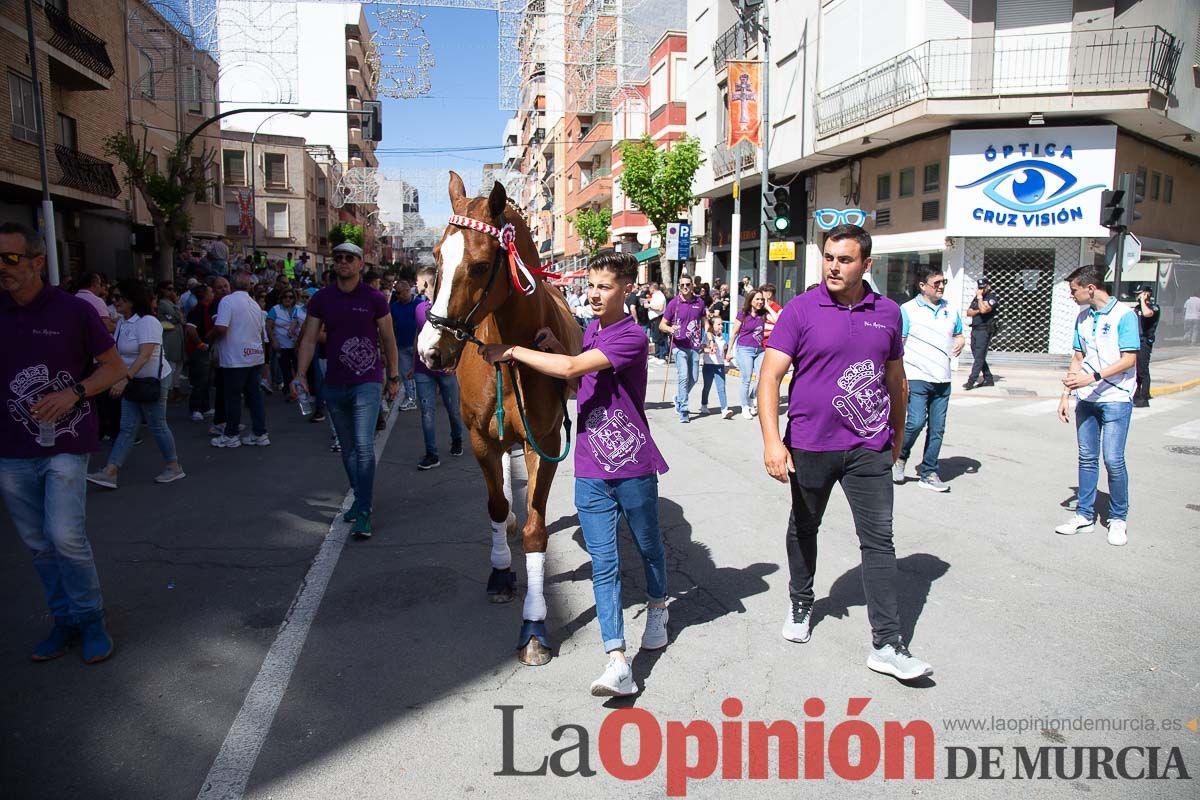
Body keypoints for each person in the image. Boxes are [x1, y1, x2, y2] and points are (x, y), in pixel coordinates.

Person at [478, 249, 669, 698]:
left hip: (631, 462)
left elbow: (570, 369)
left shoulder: (631, 336)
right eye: (592, 286)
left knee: (648, 545)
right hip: (589, 466)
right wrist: (555, 348)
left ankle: (659, 606)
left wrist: (514, 351)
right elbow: (574, 382)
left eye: (605, 287)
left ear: (627, 289)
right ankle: (617, 659)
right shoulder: (590, 331)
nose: (595, 294)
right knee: (604, 563)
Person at [758, 223, 933, 682]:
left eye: (845, 259)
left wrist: (897, 439)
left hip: (868, 448)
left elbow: (896, 381)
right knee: (805, 526)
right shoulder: (800, 310)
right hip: (810, 444)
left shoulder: (888, 314)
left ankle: (887, 644)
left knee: (879, 541)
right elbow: (770, 378)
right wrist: (773, 442)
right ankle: (801, 601)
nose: (834, 266)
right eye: (829, 257)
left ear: (866, 265)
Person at [0, 222, 126, 663]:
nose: (3, 268)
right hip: (12, 450)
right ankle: (65, 620)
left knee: (65, 537)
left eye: (11, 258)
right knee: (38, 545)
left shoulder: (73, 311)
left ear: (37, 262)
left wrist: (72, 392)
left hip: (67, 445)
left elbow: (114, 369)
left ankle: (91, 619)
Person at [295, 242, 400, 539]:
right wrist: (300, 374)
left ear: (359, 265)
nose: (343, 262)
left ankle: (364, 510)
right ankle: (359, 497)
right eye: (338, 258)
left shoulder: (375, 298)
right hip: (334, 383)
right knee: (348, 449)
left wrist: (393, 376)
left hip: (367, 381)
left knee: (364, 447)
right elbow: (309, 339)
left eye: (349, 258)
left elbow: (388, 339)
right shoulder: (321, 299)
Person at [1055, 265, 1139, 546]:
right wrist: (1066, 394)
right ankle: (1084, 516)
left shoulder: (1124, 316)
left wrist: (1092, 377)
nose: (1071, 296)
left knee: (1113, 460)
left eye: (1074, 290)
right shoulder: (1082, 317)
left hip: (1116, 398)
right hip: (1087, 399)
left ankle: (1118, 519)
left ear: (1090, 288)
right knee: (1086, 458)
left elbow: (1129, 360)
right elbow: (1078, 357)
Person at [86, 280, 185, 489]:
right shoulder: (123, 322)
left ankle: (174, 466)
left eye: (119, 297)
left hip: (151, 381)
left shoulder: (148, 322)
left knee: (157, 425)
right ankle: (110, 471)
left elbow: (145, 355)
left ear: (132, 300)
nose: (114, 301)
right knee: (127, 427)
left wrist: (123, 379)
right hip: (133, 381)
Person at [895, 265, 964, 492]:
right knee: (915, 423)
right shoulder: (907, 310)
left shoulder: (950, 310)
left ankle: (929, 472)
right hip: (916, 376)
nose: (941, 286)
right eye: (937, 283)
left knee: (937, 429)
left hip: (943, 378)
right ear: (922, 286)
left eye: (943, 282)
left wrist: (961, 340)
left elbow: (959, 334)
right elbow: (899, 345)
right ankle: (900, 457)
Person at [410, 265, 465, 470]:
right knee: (427, 412)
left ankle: (457, 438)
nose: (416, 285)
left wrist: (457, 363)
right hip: (422, 370)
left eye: (417, 281)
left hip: (446, 370)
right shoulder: (418, 308)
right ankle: (431, 454)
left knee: (453, 410)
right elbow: (419, 335)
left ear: (425, 283)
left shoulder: (450, 308)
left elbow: (460, 339)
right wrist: (414, 361)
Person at [209, 271, 269, 447]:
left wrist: (208, 336)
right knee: (254, 397)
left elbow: (221, 328)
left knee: (233, 397)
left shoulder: (227, 301)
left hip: (235, 358)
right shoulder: (255, 305)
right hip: (254, 356)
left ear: (232, 285)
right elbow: (260, 333)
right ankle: (260, 432)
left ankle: (231, 434)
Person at [660, 276, 705, 423]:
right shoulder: (674, 303)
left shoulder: (699, 302)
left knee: (694, 378)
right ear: (679, 286)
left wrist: (708, 338)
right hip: (678, 345)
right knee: (683, 377)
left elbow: (703, 322)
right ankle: (684, 410)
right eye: (682, 285)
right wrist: (670, 328)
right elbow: (662, 325)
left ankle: (679, 398)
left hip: (695, 346)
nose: (685, 287)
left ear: (692, 286)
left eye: (687, 284)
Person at [727, 289, 768, 419]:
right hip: (744, 349)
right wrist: (729, 351)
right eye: (757, 299)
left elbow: (778, 318)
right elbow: (734, 333)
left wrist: (767, 306)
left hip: (760, 350)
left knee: (763, 377)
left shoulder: (763, 314)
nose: (760, 301)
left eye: (762, 299)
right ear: (750, 301)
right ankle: (744, 407)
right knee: (747, 379)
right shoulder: (743, 314)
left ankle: (751, 397)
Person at [184, 284, 215, 422]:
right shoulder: (197, 310)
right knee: (201, 380)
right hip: (198, 350)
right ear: (205, 295)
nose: (213, 294)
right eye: (211, 292)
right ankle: (195, 408)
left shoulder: (207, 309)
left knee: (207, 380)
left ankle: (205, 407)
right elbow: (190, 329)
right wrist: (200, 344)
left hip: (205, 348)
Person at [267, 287, 305, 394]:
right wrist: (273, 340)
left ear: (294, 298)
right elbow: (268, 326)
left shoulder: (299, 309)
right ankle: (289, 389)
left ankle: (299, 387)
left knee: (299, 367)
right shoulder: (275, 309)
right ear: (281, 298)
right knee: (285, 368)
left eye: (291, 297)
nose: (288, 299)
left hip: (297, 344)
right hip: (282, 345)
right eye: (285, 297)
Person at [389, 278, 420, 411]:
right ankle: (411, 399)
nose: (397, 295)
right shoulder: (394, 307)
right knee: (406, 374)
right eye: (395, 293)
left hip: (418, 346)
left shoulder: (419, 304)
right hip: (401, 345)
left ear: (408, 291)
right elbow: (391, 326)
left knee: (422, 374)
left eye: (399, 293)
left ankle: (424, 395)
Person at [963, 277, 999, 389]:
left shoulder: (991, 298)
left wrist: (979, 298)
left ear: (988, 286)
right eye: (980, 288)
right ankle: (988, 378)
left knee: (979, 357)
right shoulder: (977, 298)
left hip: (984, 330)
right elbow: (969, 312)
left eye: (983, 288)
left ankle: (971, 381)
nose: (981, 290)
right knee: (978, 355)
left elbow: (984, 310)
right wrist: (979, 309)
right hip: (975, 329)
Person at [700, 304, 732, 418]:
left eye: (722, 324)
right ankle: (704, 405)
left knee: (721, 387)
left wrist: (727, 361)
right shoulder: (707, 337)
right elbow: (701, 348)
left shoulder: (723, 339)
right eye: (718, 324)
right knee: (707, 387)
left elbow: (724, 352)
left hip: (719, 366)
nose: (721, 326)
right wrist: (709, 350)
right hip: (708, 366)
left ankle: (724, 409)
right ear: (712, 326)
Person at [155, 281, 186, 400]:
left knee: (178, 364)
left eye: (173, 289)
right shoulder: (163, 304)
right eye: (169, 289)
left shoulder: (169, 303)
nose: (172, 291)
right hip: (170, 337)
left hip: (176, 336)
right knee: (171, 364)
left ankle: (175, 388)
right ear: (162, 290)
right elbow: (177, 317)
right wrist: (177, 304)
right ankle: (169, 391)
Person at [1131, 285, 1159, 408]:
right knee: (1135, 370)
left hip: (1145, 341)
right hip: (1135, 341)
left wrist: (1143, 300)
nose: (1137, 296)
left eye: (1140, 293)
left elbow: (1147, 314)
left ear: (1147, 294)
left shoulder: (1154, 307)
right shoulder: (1137, 308)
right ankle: (1136, 395)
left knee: (1142, 370)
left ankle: (1144, 395)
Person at [647, 282, 667, 361]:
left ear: (653, 288)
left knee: (660, 338)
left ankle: (662, 356)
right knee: (655, 337)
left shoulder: (660, 295)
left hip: (658, 318)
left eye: (650, 288)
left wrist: (649, 306)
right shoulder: (655, 296)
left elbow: (660, 308)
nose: (649, 290)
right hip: (653, 319)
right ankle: (657, 354)